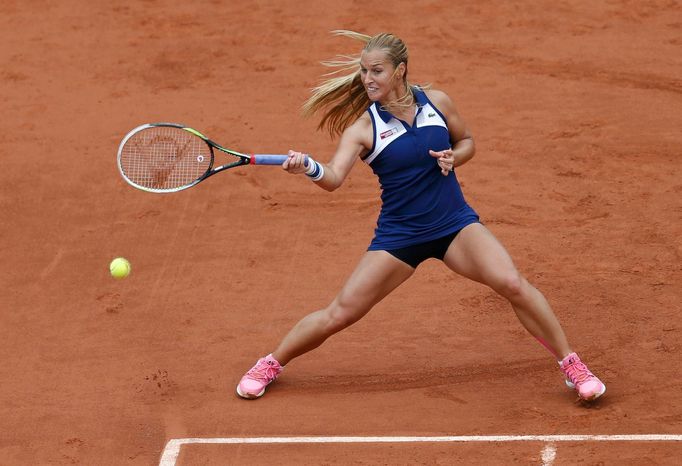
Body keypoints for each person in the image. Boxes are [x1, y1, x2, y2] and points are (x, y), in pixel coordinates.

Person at [236, 31, 606, 402]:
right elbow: (333, 178)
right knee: (340, 314)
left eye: (376, 71)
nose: (367, 79)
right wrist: (309, 168)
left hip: (454, 226)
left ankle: (573, 366)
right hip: (400, 237)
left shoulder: (437, 103)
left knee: (512, 283)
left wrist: (454, 158)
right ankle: (270, 363)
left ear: (400, 71)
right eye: (364, 71)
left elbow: (467, 142)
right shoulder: (364, 128)